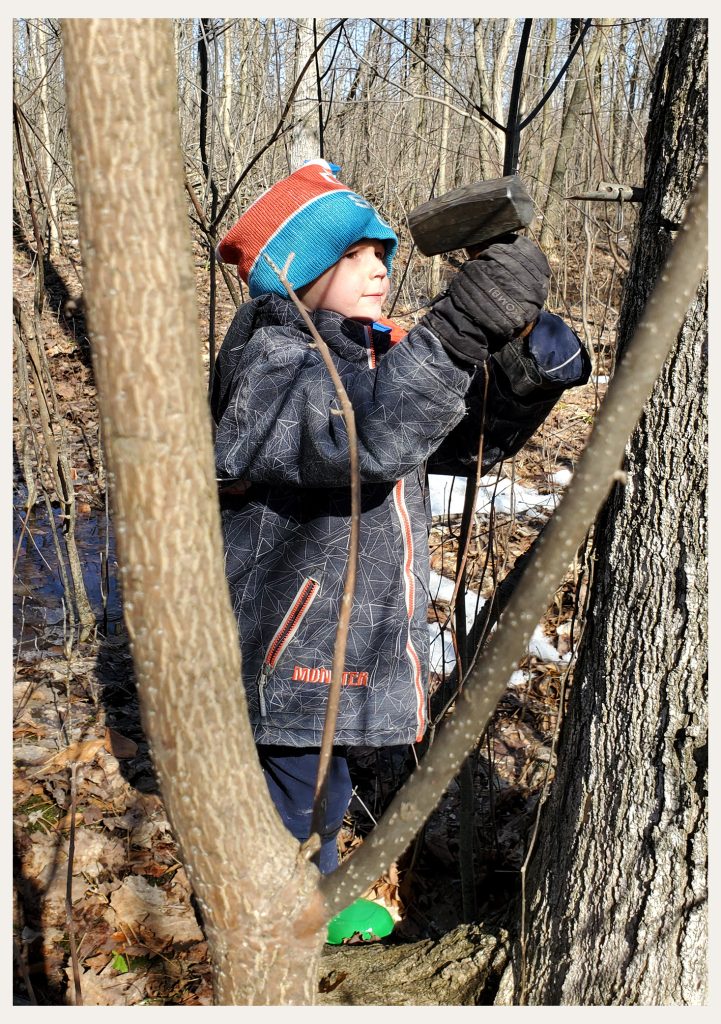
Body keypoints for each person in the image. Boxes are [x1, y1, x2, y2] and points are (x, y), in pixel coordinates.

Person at [211, 158, 590, 876]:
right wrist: (455, 331)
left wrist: (519, 344)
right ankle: (286, 927)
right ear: (295, 275)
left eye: (380, 251)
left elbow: (468, 439)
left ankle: (310, 899)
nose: (377, 268)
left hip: (347, 637)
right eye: (350, 256)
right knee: (295, 799)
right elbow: (366, 438)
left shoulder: (366, 354)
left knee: (323, 784)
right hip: (287, 646)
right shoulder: (270, 361)